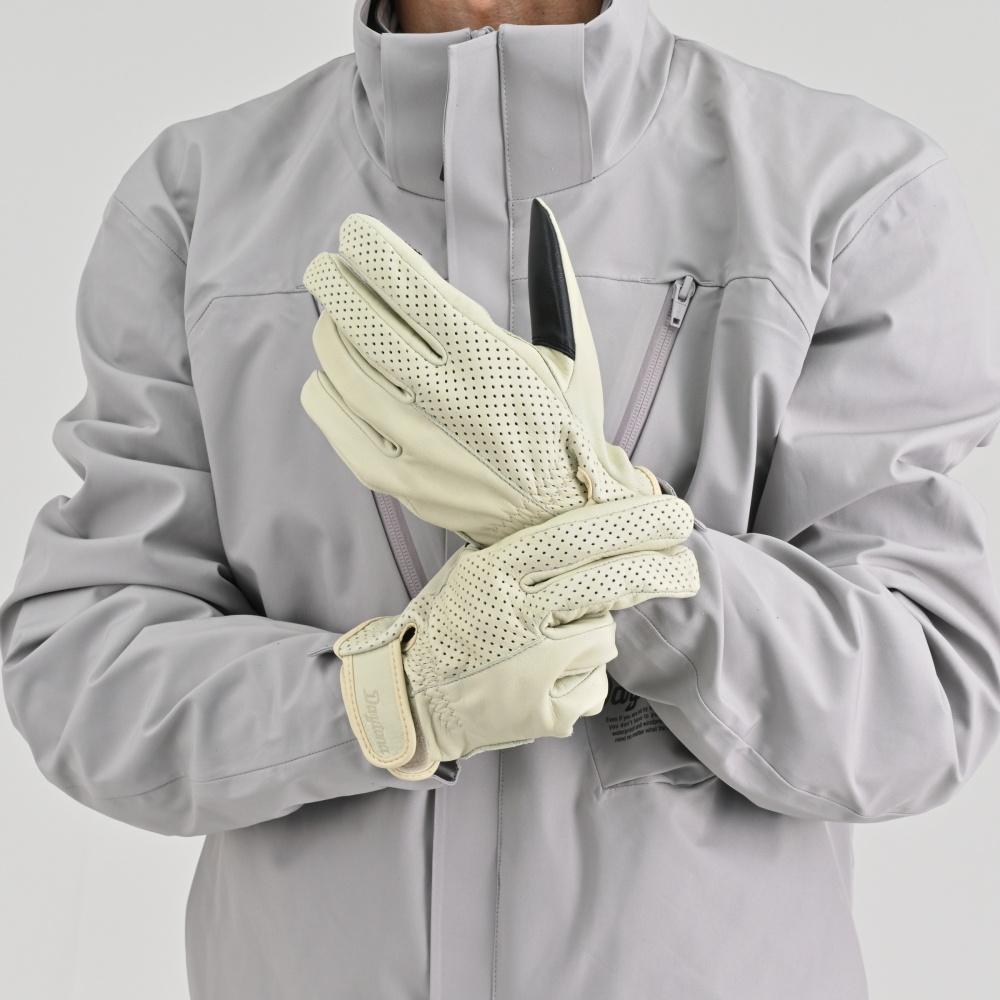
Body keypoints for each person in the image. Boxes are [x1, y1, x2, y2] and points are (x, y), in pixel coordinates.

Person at [3, 0, 999, 996]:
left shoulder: (847, 195)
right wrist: (381, 700)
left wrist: (610, 543)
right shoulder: (195, 203)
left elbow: (922, 702)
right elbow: (82, 669)